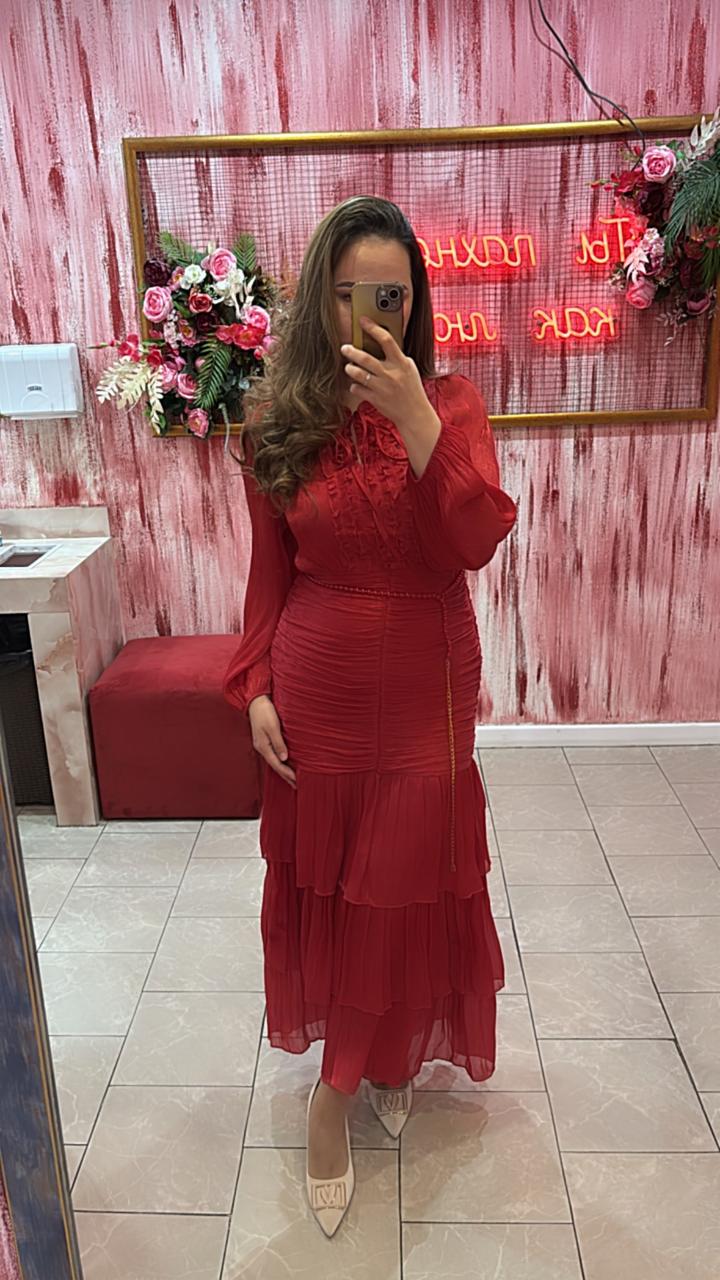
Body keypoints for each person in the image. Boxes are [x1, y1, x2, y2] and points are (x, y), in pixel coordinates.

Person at [223, 195, 518, 1237]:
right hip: (322, 687)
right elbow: (268, 573)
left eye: (389, 296)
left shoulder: (454, 406)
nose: (368, 316)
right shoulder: (277, 420)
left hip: (429, 689)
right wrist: (253, 683)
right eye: (348, 294)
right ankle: (382, 1054)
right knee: (349, 892)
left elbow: (474, 540)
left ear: (415, 302)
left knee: (401, 885)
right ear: (319, 299)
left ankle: (334, 1091)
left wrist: (417, 421)